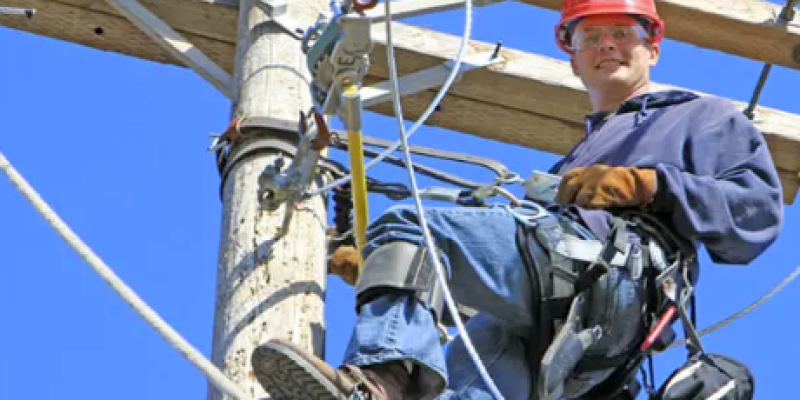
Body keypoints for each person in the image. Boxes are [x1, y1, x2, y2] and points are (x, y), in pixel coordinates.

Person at [249, 0, 784, 399]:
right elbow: (503, 282)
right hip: (552, 315)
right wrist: (398, 270)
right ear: (571, 55)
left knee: (416, 222)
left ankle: (379, 380)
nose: (607, 45)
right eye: (590, 36)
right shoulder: (572, 162)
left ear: (653, 46)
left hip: (613, 287)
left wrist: (650, 185)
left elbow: (756, 213)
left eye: (624, 32)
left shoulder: (700, 116)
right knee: (464, 378)